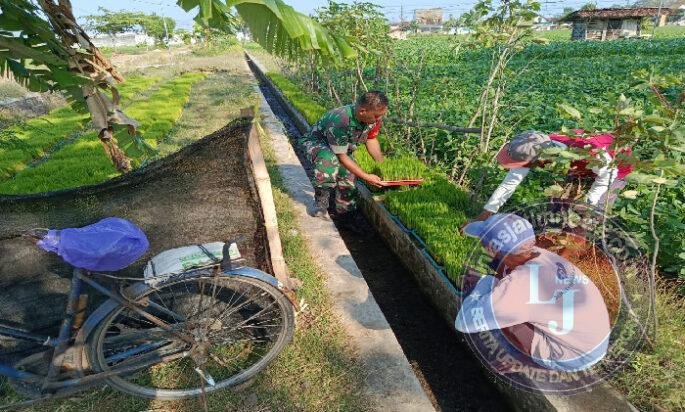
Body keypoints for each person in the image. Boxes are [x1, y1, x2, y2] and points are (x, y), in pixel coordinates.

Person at [456, 213, 611, 372]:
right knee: (506, 277)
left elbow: (463, 322)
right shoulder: (543, 255)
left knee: (509, 319)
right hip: (595, 336)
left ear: (490, 249)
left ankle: (528, 362)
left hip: (576, 357)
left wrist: (485, 283)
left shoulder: (519, 288)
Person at [470, 130, 633, 223]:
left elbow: (608, 173)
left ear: (539, 160)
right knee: (566, 204)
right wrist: (486, 214)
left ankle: (584, 252)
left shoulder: (588, 151)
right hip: (582, 167)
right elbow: (509, 184)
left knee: (593, 214)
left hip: (615, 166)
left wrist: (588, 203)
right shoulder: (535, 146)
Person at [301, 91, 388, 220]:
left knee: (349, 174)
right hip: (317, 144)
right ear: (363, 111)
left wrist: (382, 163)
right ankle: (321, 204)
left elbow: (371, 139)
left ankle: (345, 212)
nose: (379, 119)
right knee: (329, 160)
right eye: (376, 116)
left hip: (341, 147)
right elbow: (341, 156)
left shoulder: (373, 119)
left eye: (381, 116)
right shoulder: (341, 119)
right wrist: (366, 177)